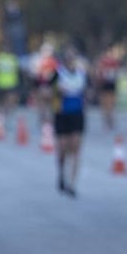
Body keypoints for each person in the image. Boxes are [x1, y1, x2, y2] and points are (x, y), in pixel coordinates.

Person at [50, 47, 89, 197]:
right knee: (62, 148)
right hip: (61, 114)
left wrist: (87, 98)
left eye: (72, 58)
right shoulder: (57, 74)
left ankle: (72, 184)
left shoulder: (82, 74)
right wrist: (56, 93)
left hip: (77, 114)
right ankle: (61, 174)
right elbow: (47, 91)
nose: (70, 61)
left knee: (76, 148)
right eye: (67, 58)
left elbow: (89, 91)